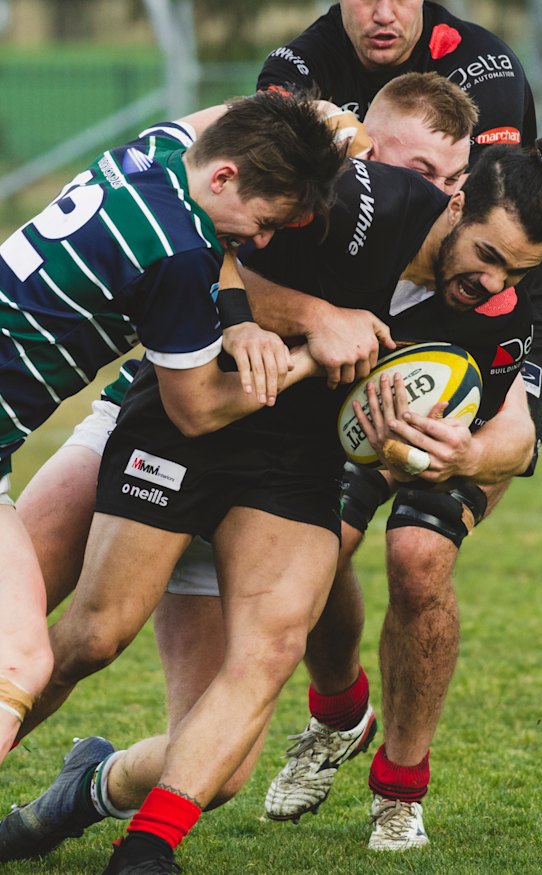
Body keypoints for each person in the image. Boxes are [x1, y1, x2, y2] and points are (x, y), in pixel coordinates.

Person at [0, 139, 542, 873]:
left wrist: (423, 453)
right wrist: (308, 314)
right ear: (456, 201)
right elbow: (212, 249)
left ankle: (143, 854)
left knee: (272, 647)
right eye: (486, 254)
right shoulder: (364, 198)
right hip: (198, 419)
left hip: (298, 463)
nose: (491, 280)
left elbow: (508, 438)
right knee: (93, 636)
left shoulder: (503, 311)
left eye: (516, 270)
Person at [11, 69, 478, 802]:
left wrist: (426, 442)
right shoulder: (214, 235)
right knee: (36, 652)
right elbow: (195, 377)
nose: (440, 192)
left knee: (219, 773)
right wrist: (307, 331)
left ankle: (82, 793)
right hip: (160, 424)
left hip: (264, 481)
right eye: (417, 170)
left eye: (455, 176)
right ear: (359, 148)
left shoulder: (161, 152)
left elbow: (238, 131)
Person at [0, 88, 348, 763]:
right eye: (266, 220)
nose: (261, 241)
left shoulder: (152, 154)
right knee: (16, 665)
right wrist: (310, 357)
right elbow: (195, 409)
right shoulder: (177, 252)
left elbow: (232, 114)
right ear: (223, 178)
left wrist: (312, 115)